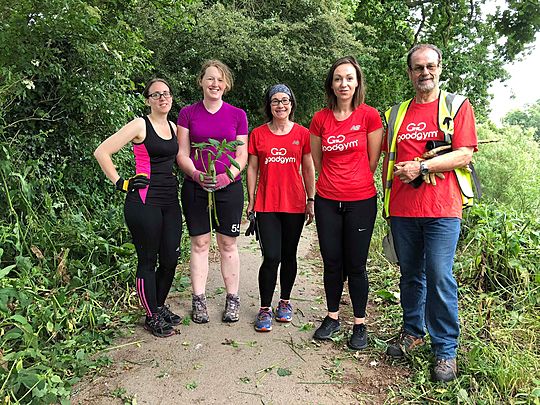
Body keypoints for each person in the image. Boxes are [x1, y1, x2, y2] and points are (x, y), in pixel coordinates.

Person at [382, 44, 478, 382]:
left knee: (439, 275)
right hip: (404, 210)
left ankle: (445, 350)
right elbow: (388, 160)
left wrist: (421, 166)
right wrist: (386, 204)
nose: (425, 72)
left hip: (442, 208)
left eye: (430, 66)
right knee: (410, 275)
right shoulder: (396, 113)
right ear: (410, 73)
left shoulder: (456, 106)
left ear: (439, 68)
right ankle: (412, 331)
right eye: (418, 67)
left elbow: (464, 154)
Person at [94, 78, 182, 338]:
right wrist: (121, 183)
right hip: (143, 201)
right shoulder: (139, 124)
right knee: (147, 260)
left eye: (166, 94)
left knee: (170, 258)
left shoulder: (175, 128)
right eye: (156, 95)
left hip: (169, 201)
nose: (162, 98)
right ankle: (151, 316)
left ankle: (159, 305)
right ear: (148, 100)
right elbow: (102, 152)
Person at [310, 56, 383, 349]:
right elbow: (318, 160)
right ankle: (332, 317)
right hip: (327, 199)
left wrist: (354, 181)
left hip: (361, 200)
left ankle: (360, 324)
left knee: (356, 266)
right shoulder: (320, 119)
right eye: (338, 78)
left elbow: (373, 160)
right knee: (332, 262)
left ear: (357, 82)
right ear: (331, 83)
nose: (344, 83)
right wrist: (332, 183)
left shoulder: (369, 116)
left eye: (349, 78)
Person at [176, 60, 248, 323]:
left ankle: (232, 299)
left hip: (229, 187)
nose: (214, 84)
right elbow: (182, 153)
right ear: (201, 82)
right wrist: (196, 174)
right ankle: (199, 299)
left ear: (226, 84)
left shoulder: (237, 115)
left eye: (219, 80)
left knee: (228, 243)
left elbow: (242, 154)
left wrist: (226, 176)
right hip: (197, 187)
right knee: (200, 243)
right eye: (209, 79)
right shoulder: (187, 113)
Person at [246, 84, 316, 332]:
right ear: (269, 106)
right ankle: (265, 308)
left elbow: (308, 167)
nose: (280, 105)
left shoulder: (302, 133)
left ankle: (284, 302)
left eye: (285, 100)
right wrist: (251, 201)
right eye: (275, 101)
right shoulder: (258, 134)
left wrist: (311, 199)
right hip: (267, 204)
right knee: (271, 256)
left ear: (292, 104)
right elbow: (252, 168)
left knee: (289, 255)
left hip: (295, 204)